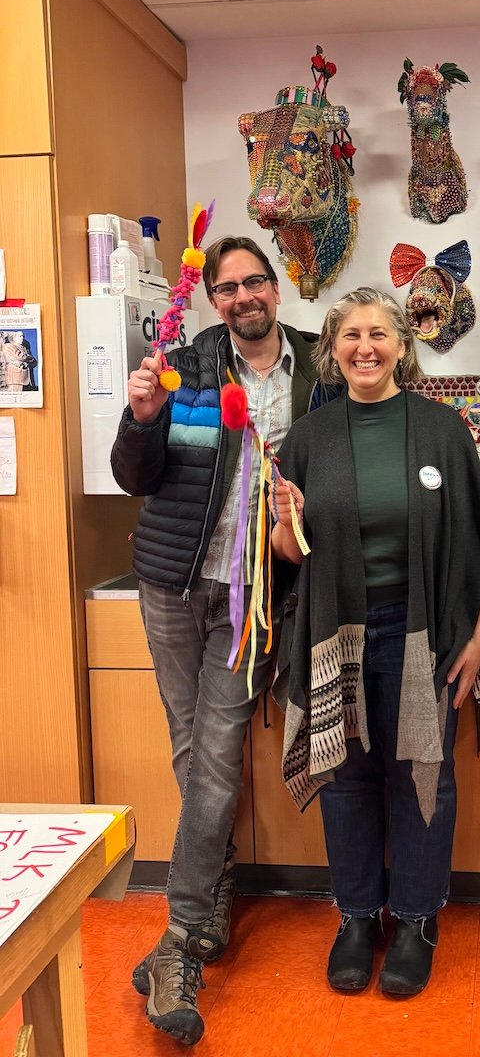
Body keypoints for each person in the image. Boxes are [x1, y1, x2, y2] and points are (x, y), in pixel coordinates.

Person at [111, 236, 323, 1045]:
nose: (241, 297)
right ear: (214, 301)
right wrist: (140, 420)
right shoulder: (184, 367)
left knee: (217, 752)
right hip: (171, 581)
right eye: (227, 287)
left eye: (254, 282)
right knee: (191, 746)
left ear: (276, 287)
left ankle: (179, 936)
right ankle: (214, 889)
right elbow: (137, 474)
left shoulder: (317, 373)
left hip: (254, 595)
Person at [271, 286, 480, 997]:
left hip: (423, 635)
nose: (364, 347)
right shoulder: (309, 439)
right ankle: (354, 916)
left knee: (423, 778)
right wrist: (285, 523)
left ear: (403, 346)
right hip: (336, 633)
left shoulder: (440, 431)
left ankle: (413, 918)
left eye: (378, 334)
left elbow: (479, 541)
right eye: (350, 336)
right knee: (345, 778)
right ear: (332, 351)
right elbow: (289, 553)